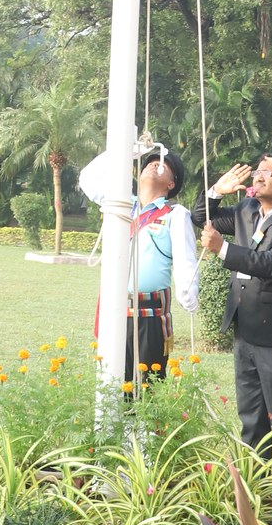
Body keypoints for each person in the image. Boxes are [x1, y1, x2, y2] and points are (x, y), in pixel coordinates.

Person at [196, 153, 272, 479]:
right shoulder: (247, 210)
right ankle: (255, 485)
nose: (259, 176)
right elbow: (201, 217)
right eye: (258, 172)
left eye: (269, 173)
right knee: (251, 417)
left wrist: (222, 249)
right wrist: (216, 192)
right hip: (247, 332)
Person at [78, 144, 199, 388]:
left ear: (171, 183)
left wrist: (188, 292)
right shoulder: (120, 204)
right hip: (114, 307)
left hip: (149, 312)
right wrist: (127, 150)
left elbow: (185, 258)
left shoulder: (175, 214)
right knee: (112, 383)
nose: (155, 165)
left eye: (163, 165)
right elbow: (87, 179)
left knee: (147, 386)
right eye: (150, 162)